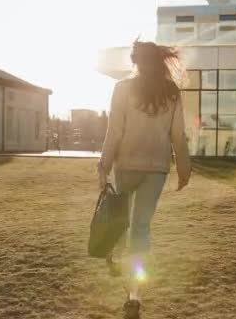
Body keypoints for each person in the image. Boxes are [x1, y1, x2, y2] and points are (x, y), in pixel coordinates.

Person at [98, 40, 191, 318]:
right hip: (156, 170)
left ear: (137, 62)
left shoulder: (122, 89)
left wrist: (103, 166)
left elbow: (114, 131)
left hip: (126, 165)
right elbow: (178, 135)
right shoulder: (171, 92)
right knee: (140, 228)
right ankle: (134, 296)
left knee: (123, 222)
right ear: (160, 61)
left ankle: (116, 255)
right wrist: (184, 168)